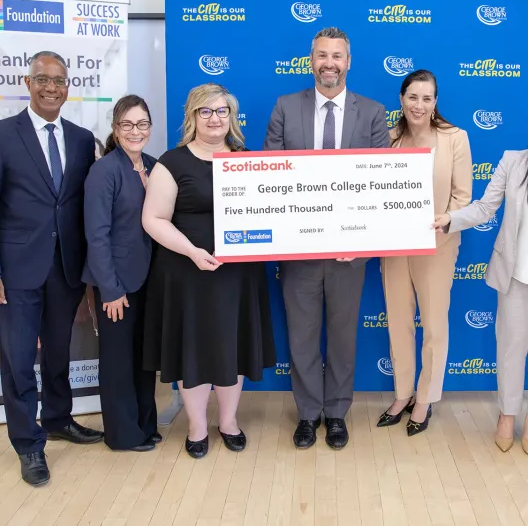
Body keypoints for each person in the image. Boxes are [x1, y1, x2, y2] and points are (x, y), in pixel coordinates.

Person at [0, 51, 102, 487]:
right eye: (42, 79)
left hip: (64, 269)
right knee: (19, 361)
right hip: (15, 272)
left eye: (59, 81)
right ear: (28, 83)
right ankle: (29, 444)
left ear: (68, 87)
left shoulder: (83, 140)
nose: (51, 88)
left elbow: (84, 207)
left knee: (60, 353)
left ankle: (59, 418)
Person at [434, 94, 528, 454]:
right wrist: (450, 219)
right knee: (511, 349)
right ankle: (507, 413)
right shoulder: (513, 162)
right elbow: (486, 208)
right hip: (514, 275)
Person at [263, 26, 389, 450]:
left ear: (348, 62)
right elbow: (272, 178)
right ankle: (307, 413)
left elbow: (379, 183)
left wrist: (360, 238)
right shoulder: (285, 107)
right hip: (298, 252)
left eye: (337, 56)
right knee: (300, 334)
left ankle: (336, 413)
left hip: (350, 254)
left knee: (342, 334)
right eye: (322, 55)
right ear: (310, 60)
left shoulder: (372, 112)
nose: (329, 63)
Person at [142, 83, 276, 459]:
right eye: (206, 111)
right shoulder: (172, 162)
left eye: (221, 111)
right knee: (194, 351)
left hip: (238, 275)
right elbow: (152, 219)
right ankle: (197, 427)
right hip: (188, 273)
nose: (214, 119)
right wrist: (191, 251)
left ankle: (229, 422)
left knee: (231, 348)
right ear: (192, 117)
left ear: (231, 117)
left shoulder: (248, 160)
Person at [377, 70, 471, 436]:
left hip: (438, 247)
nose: (419, 105)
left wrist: (443, 224)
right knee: (398, 320)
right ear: (401, 99)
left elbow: (463, 197)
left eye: (426, 98)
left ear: (435, 102)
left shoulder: (455, 138)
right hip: (395, 245)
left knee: (434, 325)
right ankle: (402, 394)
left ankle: (426, 398)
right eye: (412, 97)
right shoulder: (388, 140)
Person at [82, 95, 160, 452]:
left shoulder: (154, 166)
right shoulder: (105, 170)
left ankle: (146, 425)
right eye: (127, 124)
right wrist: (110, 290)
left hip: (148, 281)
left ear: (150, 128)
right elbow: (96, 235)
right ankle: (122, 434)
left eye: (141, 124)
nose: (135, 131)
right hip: (116, 283)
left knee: (143, 360)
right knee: (118, 362)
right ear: (115, 129)